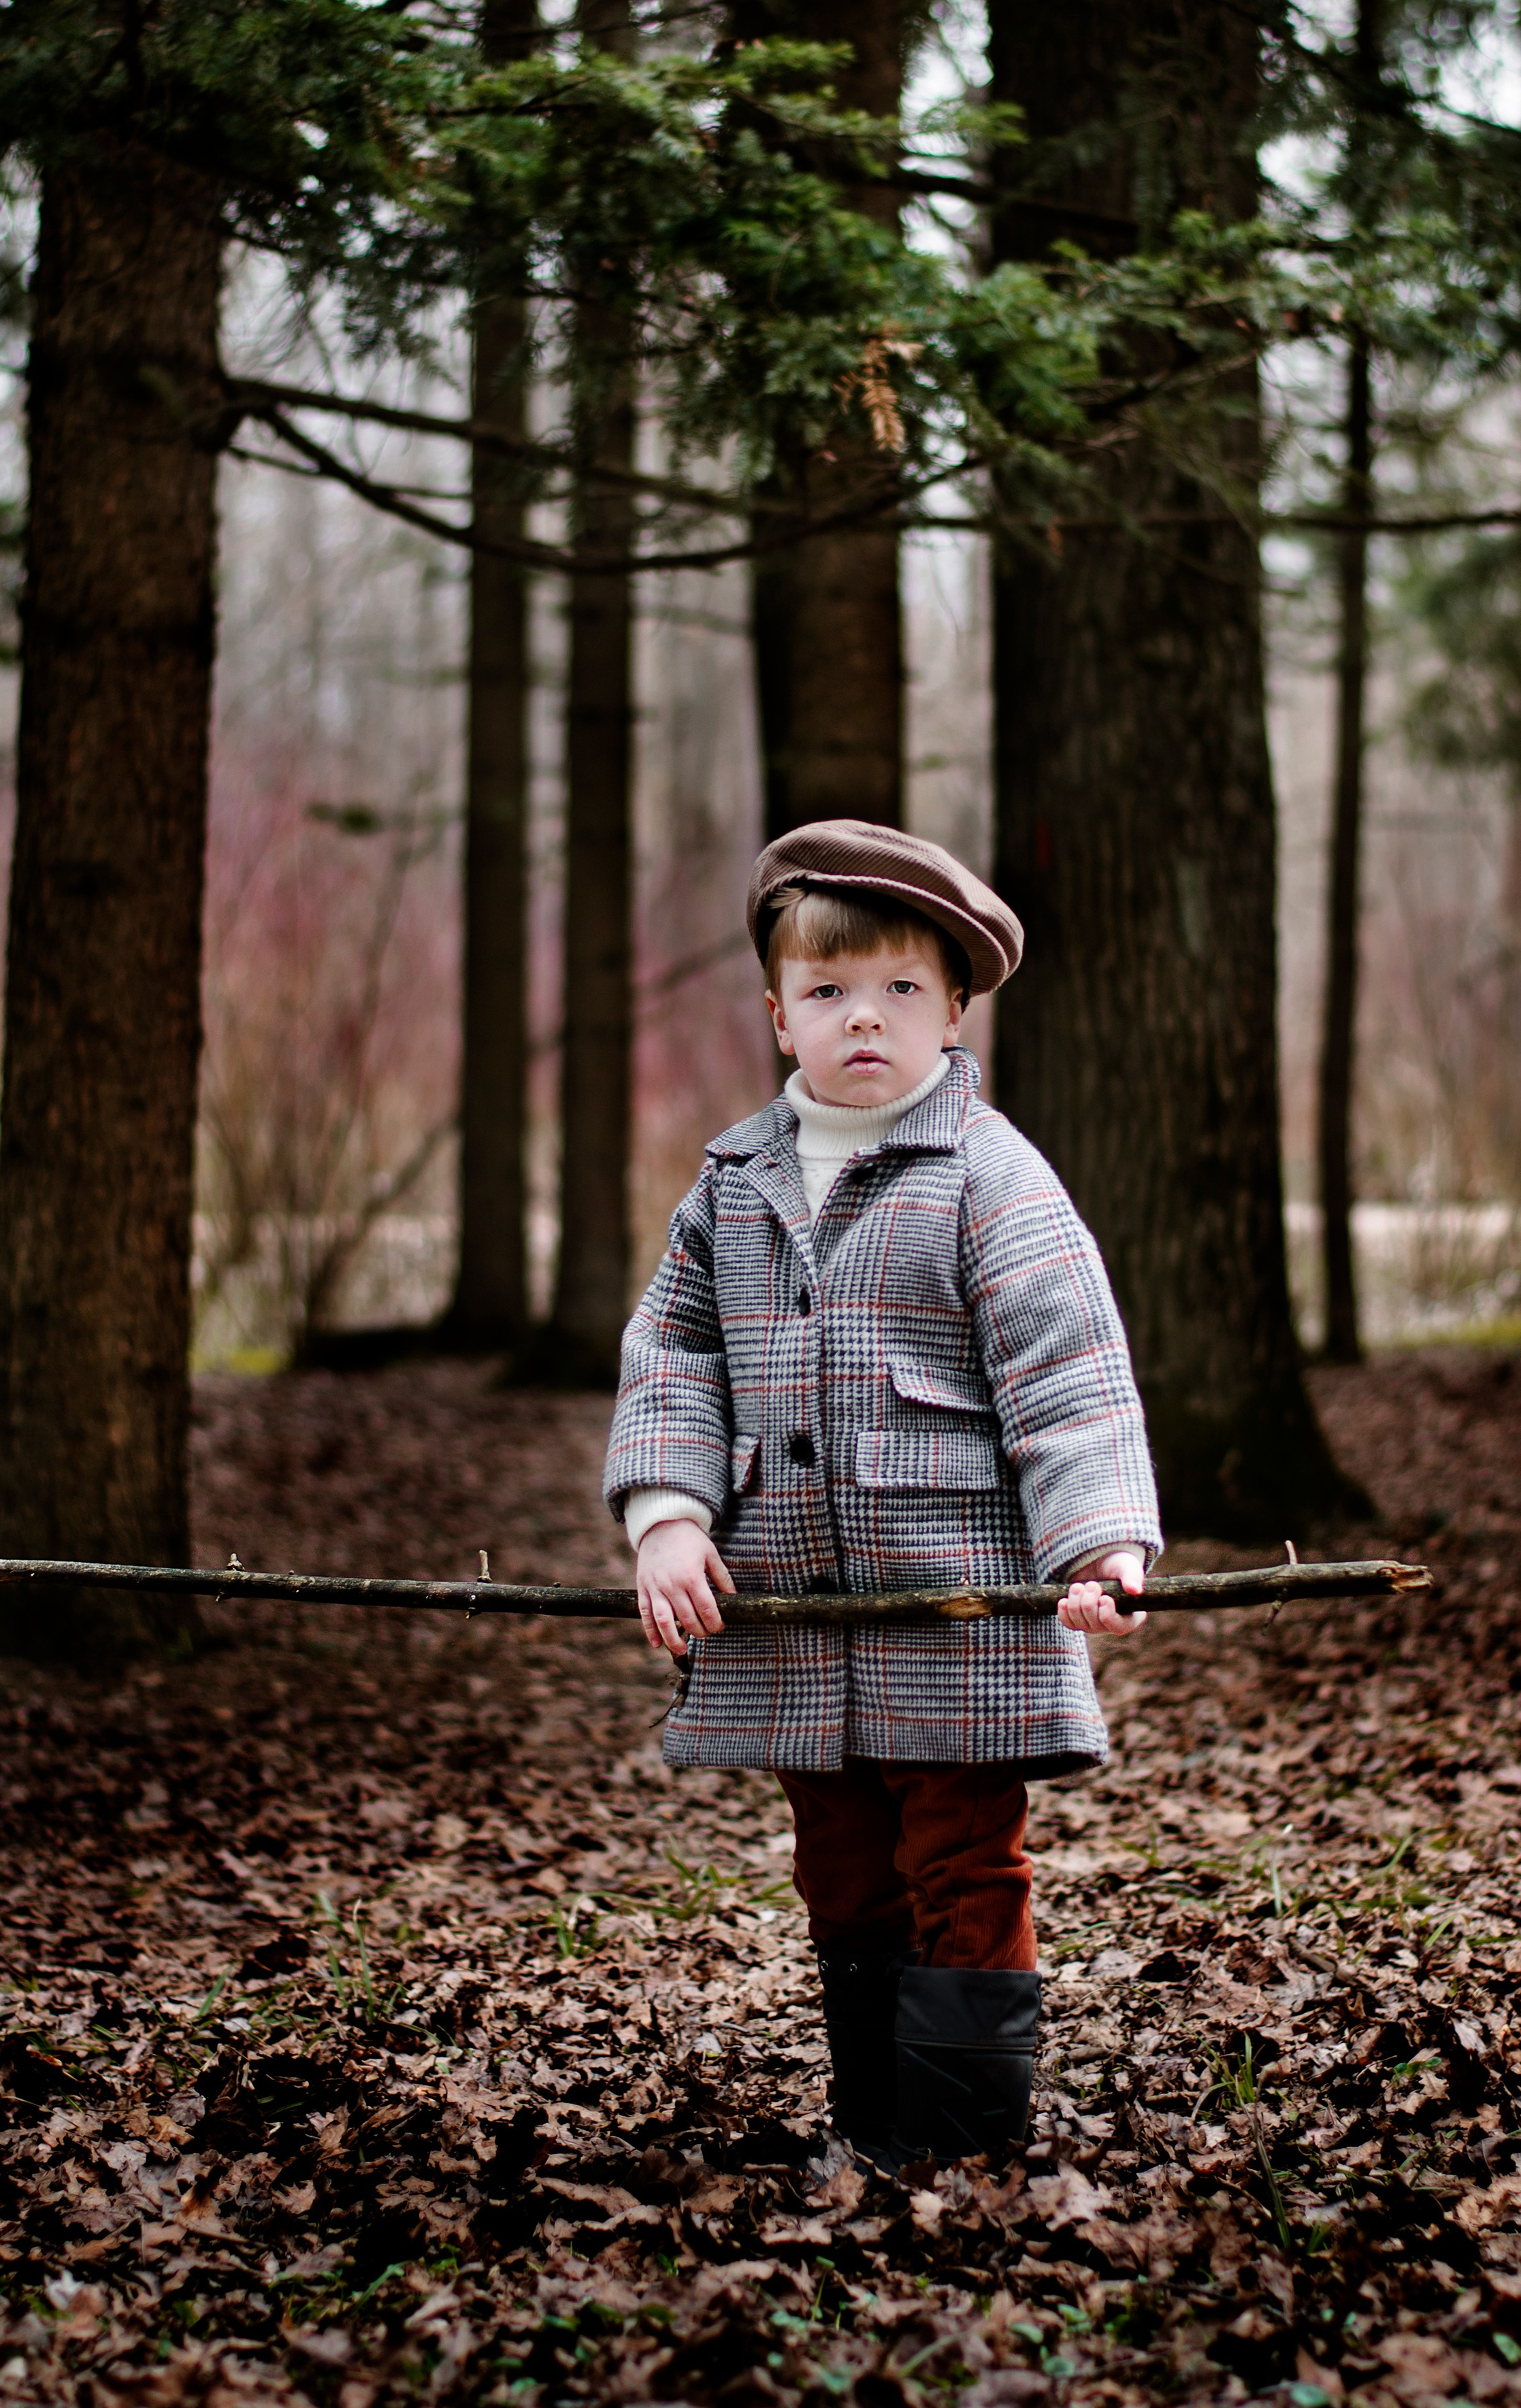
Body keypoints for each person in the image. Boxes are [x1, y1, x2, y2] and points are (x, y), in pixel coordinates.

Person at [604, 818, 1161, 2168]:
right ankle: (870, 2122)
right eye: (829, 993)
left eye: (901, 990)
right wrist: (667, 1512)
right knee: (842, 1869)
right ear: (778, 1015)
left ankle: (960, 2149)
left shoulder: (989, 1180)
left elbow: (1067, 1368)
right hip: (798, 1620)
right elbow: (674, 1352)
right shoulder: (730, 1186)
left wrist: (1096, 1541)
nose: (866, 1020)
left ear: (955, 1007)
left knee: (962, 1861)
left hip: (956, 1622)